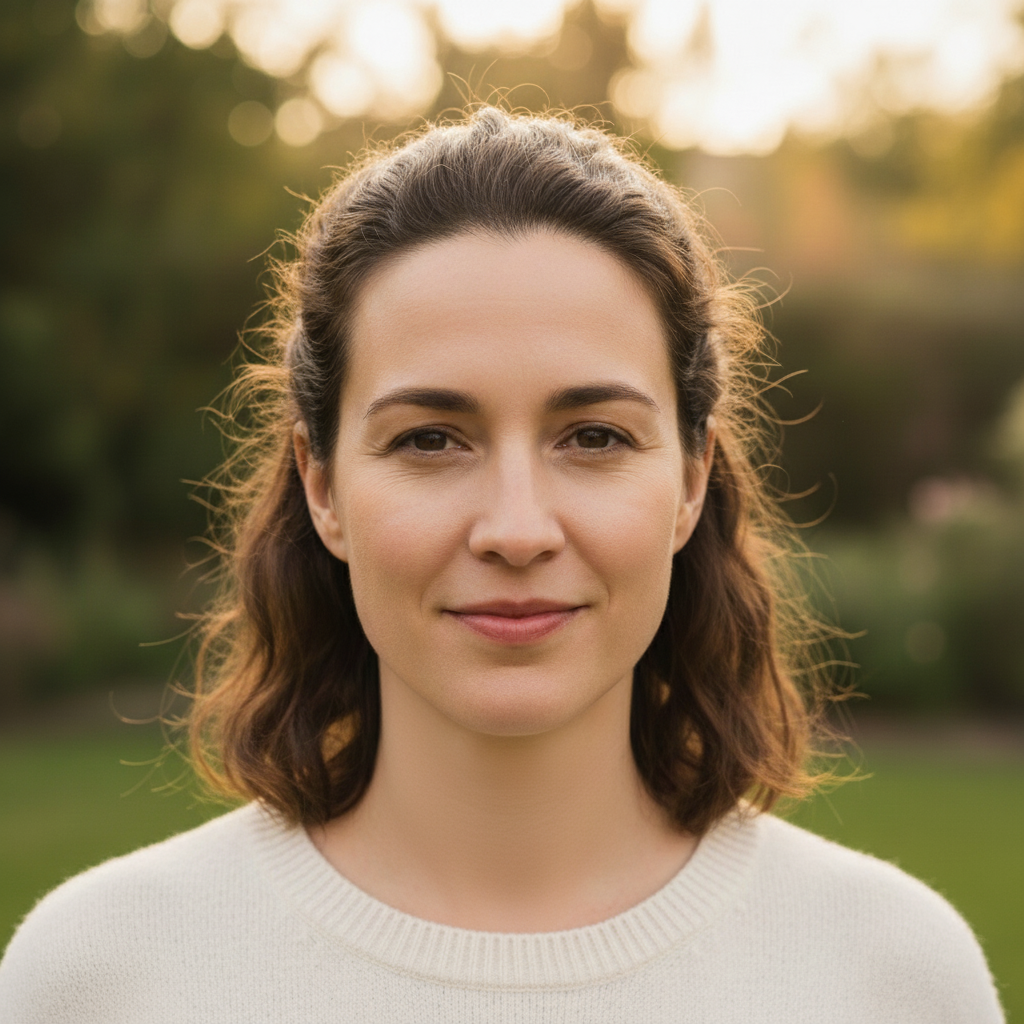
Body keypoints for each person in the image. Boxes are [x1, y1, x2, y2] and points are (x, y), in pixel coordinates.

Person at [0, 107, 1003, 1022]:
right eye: (431, 439)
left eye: (595, 437)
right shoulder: (101, 976)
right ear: (321, 484)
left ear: (692, 476)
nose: (516, 529)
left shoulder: (889, 976)